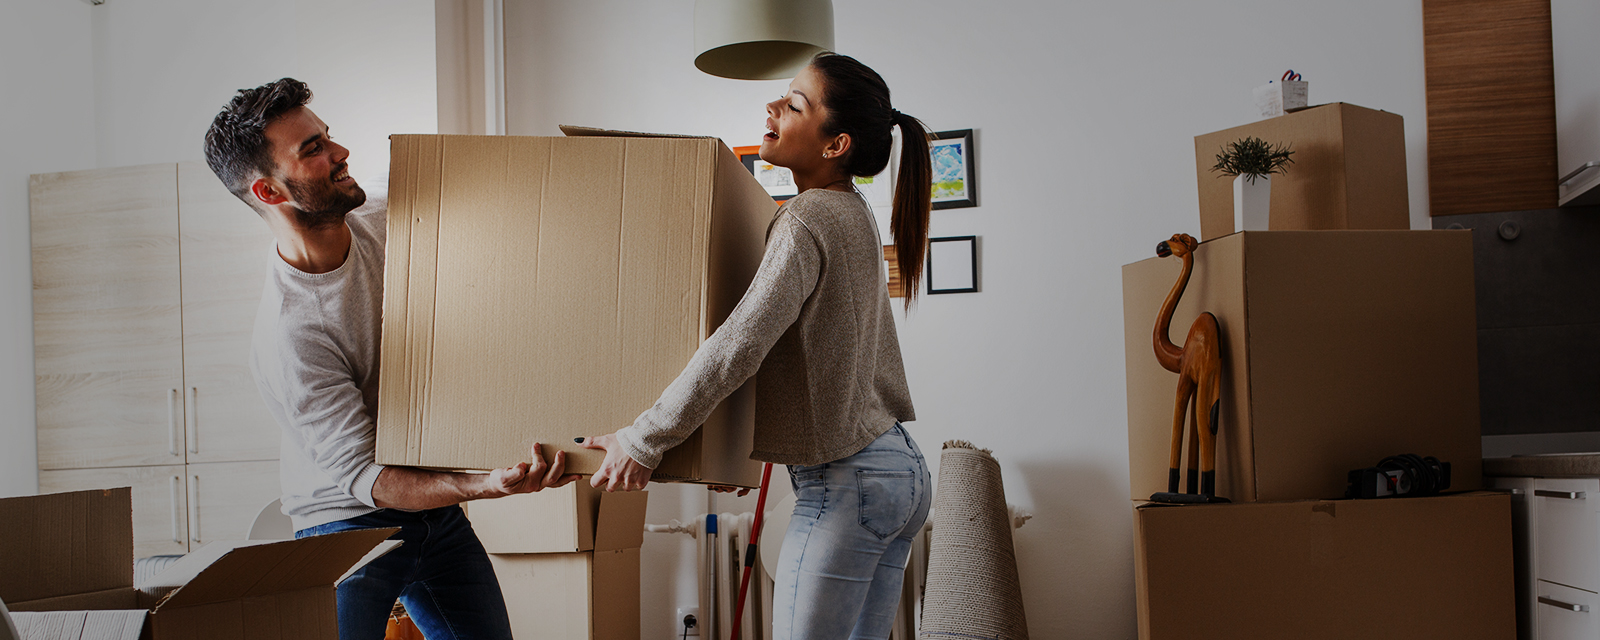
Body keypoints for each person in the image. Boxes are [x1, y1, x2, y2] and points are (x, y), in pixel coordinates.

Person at [203, 78, 578, 640]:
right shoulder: (293, 332)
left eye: (327, 136)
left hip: (431, 508)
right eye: (312, 149)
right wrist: (482, 484)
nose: (339, 152)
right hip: (346, 525)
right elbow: (365, 477)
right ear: (269, 193)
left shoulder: (386, 217)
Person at [580, 53, 934, 639]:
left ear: (835, 144)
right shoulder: (851, 212)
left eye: (795, 104)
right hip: (896, 470)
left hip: (848, 483)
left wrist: (641, 441)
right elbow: (814, 357)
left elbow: (742, 345)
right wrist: (742, 452)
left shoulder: (807, 217)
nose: (773, 107)